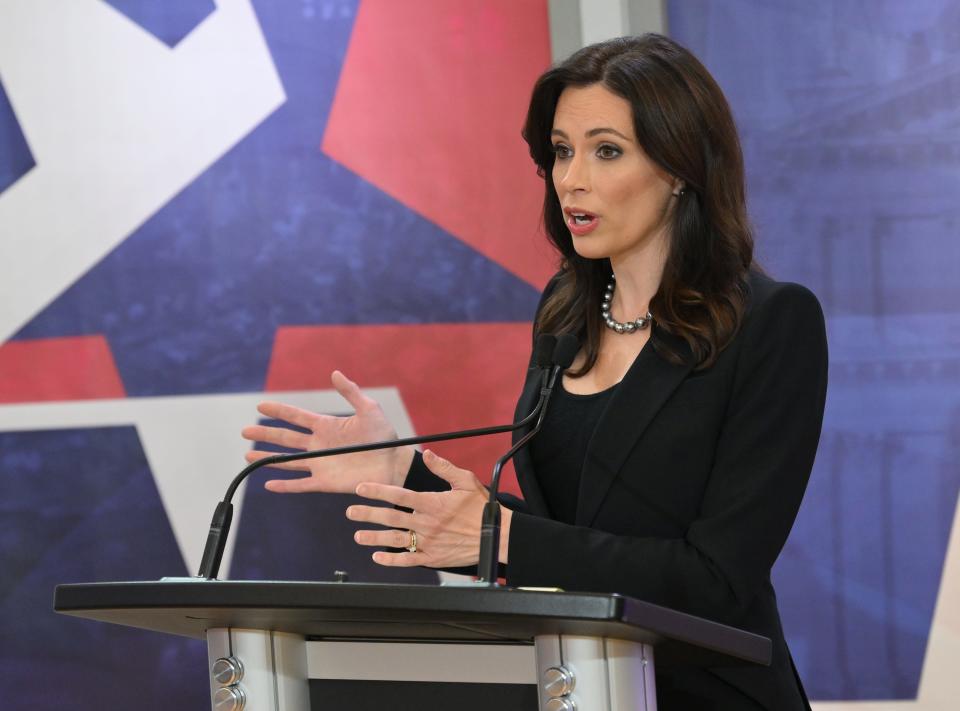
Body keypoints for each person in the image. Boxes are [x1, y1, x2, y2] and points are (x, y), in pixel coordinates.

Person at [241, 34, 827, 710]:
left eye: (606, 151)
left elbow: (716, 578)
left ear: (679, 168)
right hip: (572, 686)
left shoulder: (770, 322)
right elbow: (568, 539)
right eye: (560, 150)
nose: (571, 178)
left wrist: (502, 536)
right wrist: (403, 474)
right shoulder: (564, 315)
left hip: (710, 695)